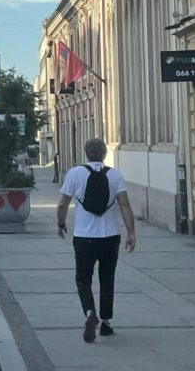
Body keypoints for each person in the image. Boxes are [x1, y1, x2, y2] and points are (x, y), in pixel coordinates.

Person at [56, 138, 136, 343]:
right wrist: (131, 232)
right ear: (104, 154)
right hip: (110, 237)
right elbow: (124, 204)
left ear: (86, 153)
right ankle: (107, 322)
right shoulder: (115, 175)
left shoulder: (74, 174)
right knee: (107, 279)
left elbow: (63, 203)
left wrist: (61, 223)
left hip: (84, 238)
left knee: (83, 279)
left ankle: (90, 312)